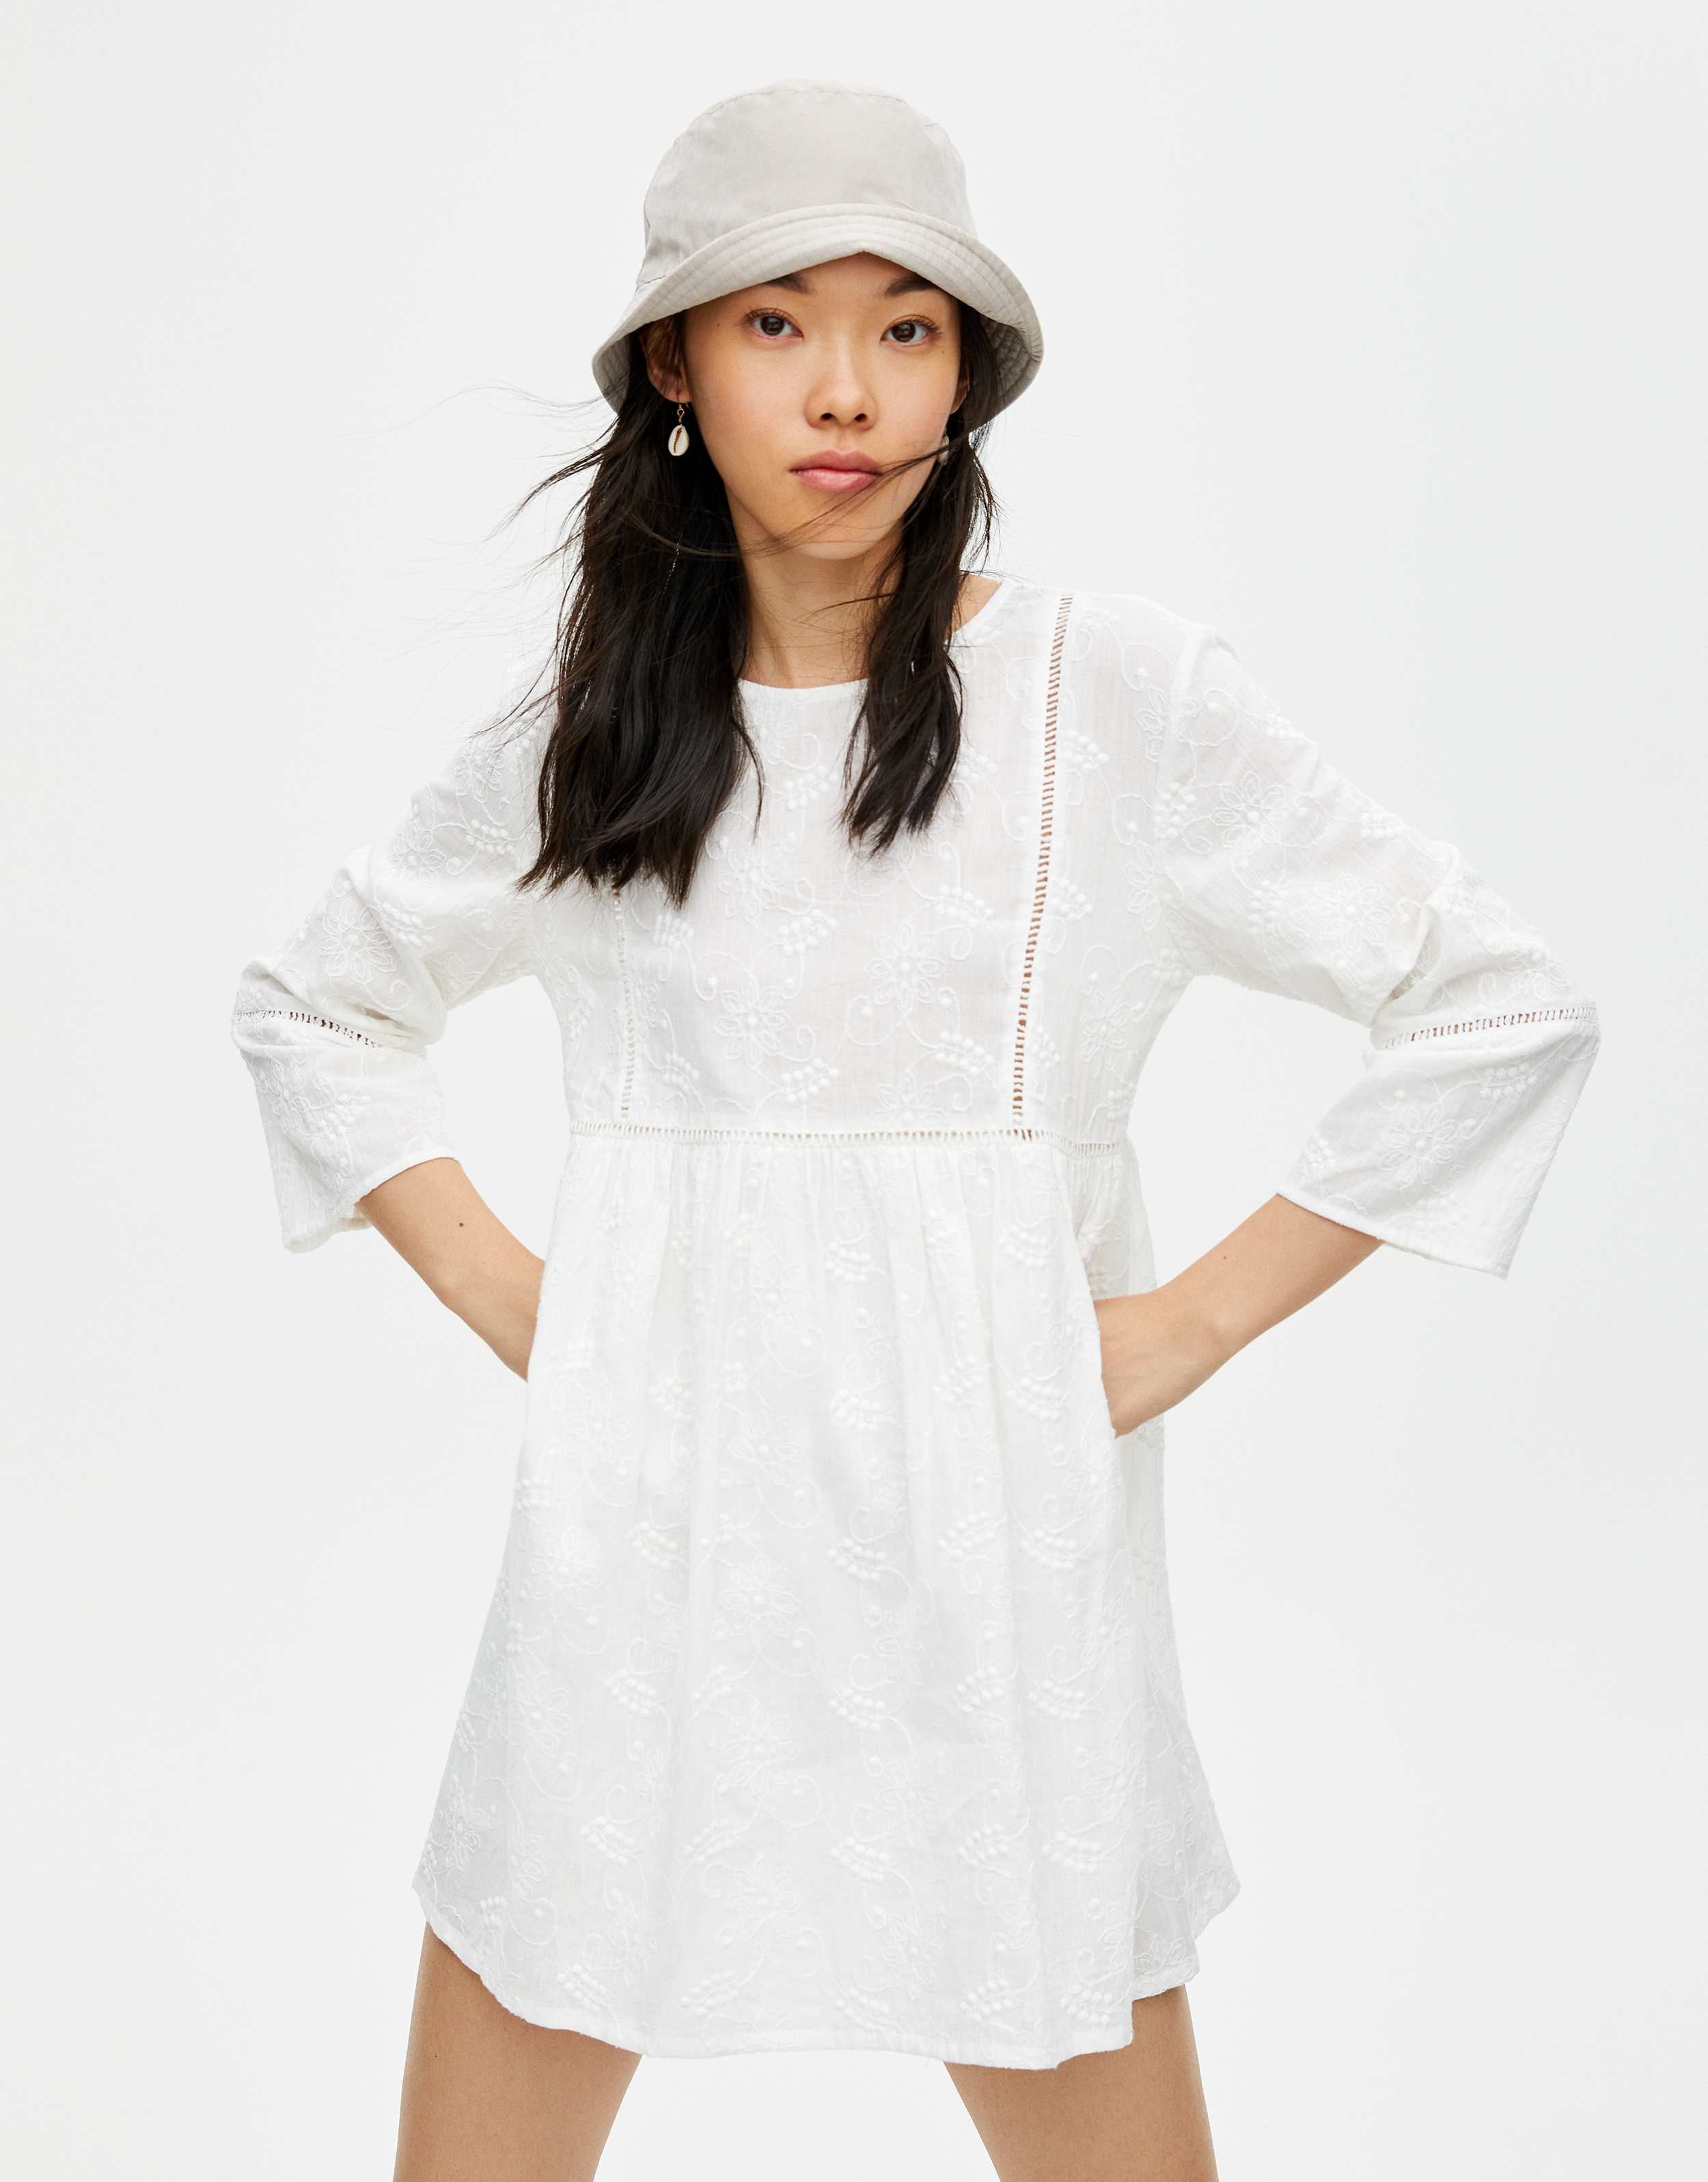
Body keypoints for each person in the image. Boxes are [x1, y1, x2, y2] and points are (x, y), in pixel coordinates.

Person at [232, 78, 1599, 2182]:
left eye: (907, 325)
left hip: (999, 1564)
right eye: (774, 322)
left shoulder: (1108, 698)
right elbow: (317, 1002)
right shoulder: (592, 739)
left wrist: (1182, 1326)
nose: (846, 391)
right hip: (639, 1563)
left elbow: (1495, 1000)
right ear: (673, 369)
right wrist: (535, 1306)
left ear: (965, 376)